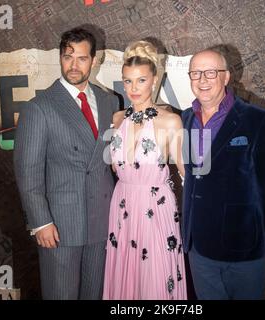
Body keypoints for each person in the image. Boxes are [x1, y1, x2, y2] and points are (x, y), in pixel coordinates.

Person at [14, 27, 119, 300]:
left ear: (94, 60)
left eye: (82, 58)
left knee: (94, 295)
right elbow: (28, 173)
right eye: (67, 57)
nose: (73, 65)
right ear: (60, 58)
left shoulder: (109, 101)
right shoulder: (39, 107)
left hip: (102, 220)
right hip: (59, 225)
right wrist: (41, 222)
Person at [181, 47, 265, 300]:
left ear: (226, 77)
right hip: (198, 246)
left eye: (210, 72)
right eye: (195, 73)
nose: (202, 80)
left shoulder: (257, 120)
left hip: (243, 246)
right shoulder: (184, 119)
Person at [103, 40, 187, 300]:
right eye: (128, 81)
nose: (133, 88)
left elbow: (189, 176)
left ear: (154, 80)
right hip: (122, 207)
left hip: (156, 208)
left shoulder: (171, 121)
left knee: (156, 281)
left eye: (141, 80)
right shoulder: (117, 120)